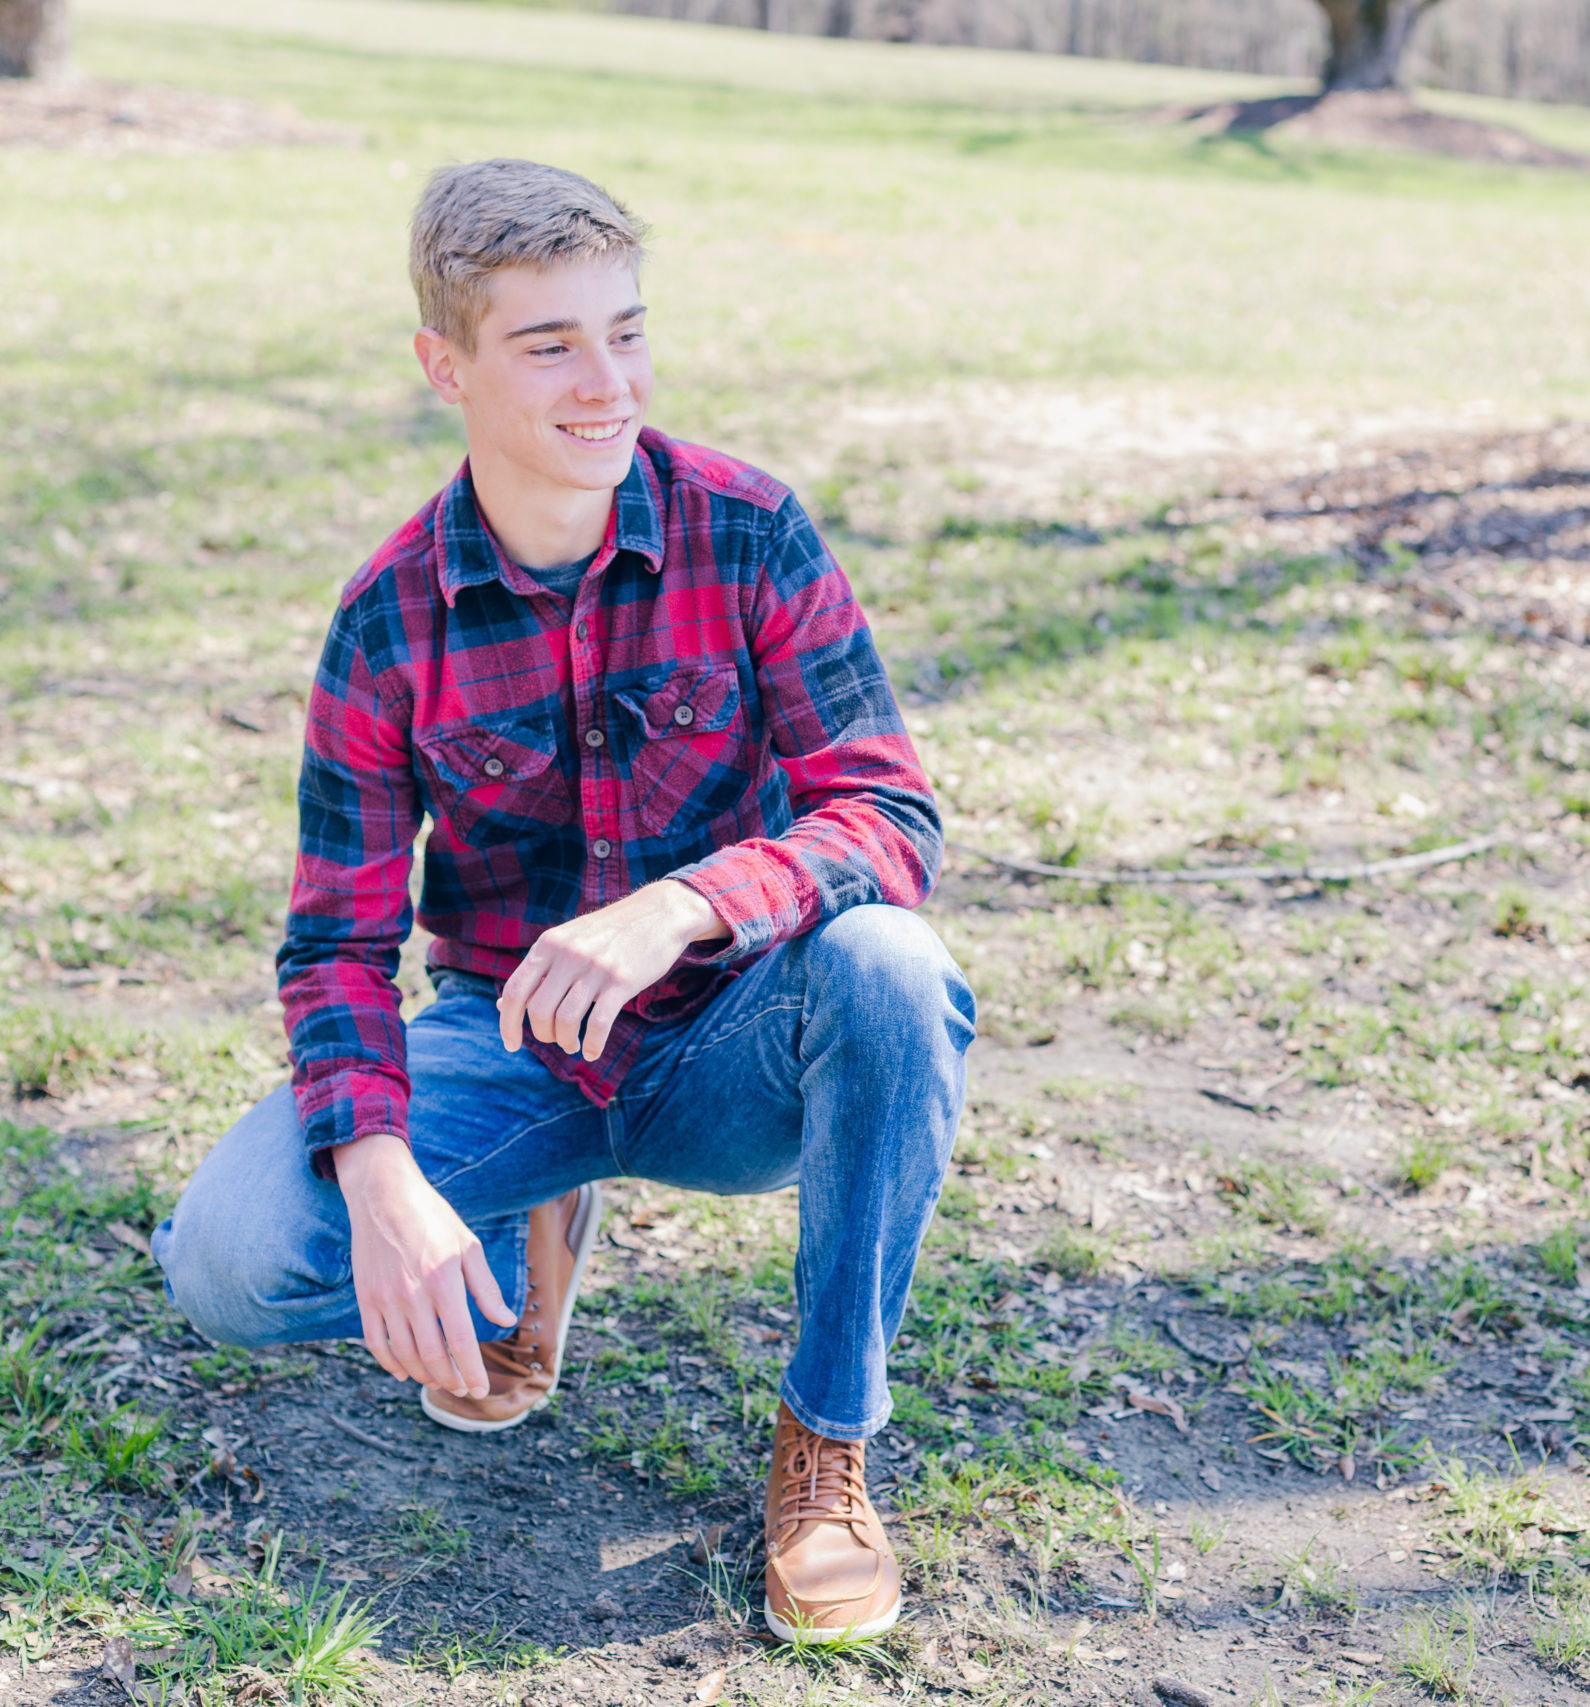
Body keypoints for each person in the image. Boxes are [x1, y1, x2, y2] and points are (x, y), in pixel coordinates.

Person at [150, 158, 973, 1645]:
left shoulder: (747, 528)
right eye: (552, 345)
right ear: (443, 368)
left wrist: (685, 908)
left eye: (628, 331)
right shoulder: (388, 617)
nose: (611, 383)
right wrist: (388, 1183)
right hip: (513, 1042)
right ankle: (518, 1231)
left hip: (745, 1039)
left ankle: (828, 1443)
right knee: (232, 1259)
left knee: (892, 966)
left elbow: (891, 812)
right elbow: (335, 943)